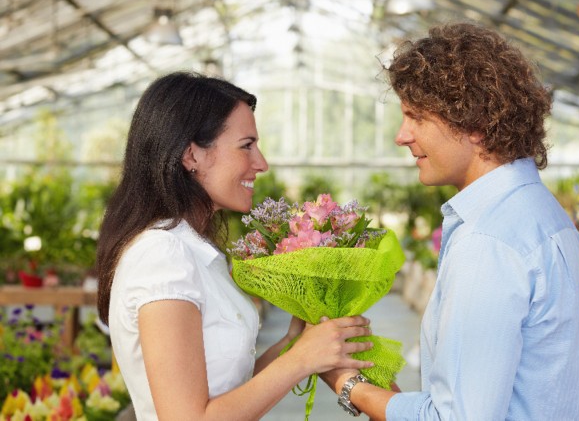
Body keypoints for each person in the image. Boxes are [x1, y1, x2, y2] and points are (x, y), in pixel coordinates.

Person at [322, 22, 579, 420]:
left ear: (475, 125)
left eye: (415, 116)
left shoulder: (490, 240)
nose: (402, 135)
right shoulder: (541, 214)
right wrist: (378, 378)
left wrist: (348, 384)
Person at [95, 71, 374, 421]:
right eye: (246, 145)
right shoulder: (162, 256)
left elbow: (228, 392)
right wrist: (303, 358)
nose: (261, 163)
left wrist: (295, 343)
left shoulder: (191, 248)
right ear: (190, 155)